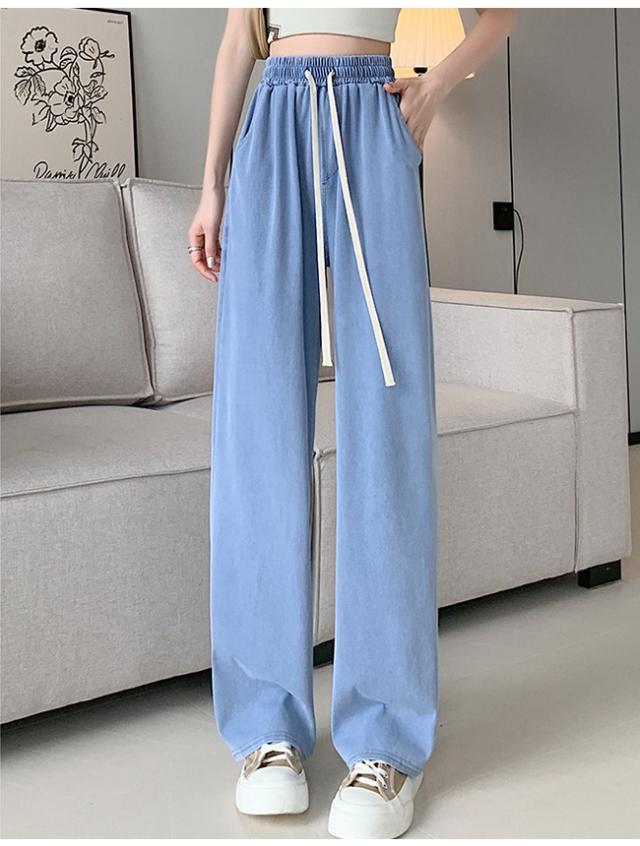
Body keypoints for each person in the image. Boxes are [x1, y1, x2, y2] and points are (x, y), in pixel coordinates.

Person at [189, 7, 517, 839]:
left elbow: (505, 14)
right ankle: (265, 729)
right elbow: (237, 42)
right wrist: (212, 185)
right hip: (272, 121)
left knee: (388, 429)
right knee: (258, 432)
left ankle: (386, 740)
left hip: (374, 116)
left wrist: (435, 86)